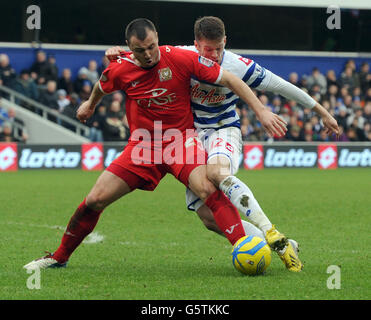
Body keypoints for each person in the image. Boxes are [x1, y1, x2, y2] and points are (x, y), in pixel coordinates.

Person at [24, 18, 287, 270]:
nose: (148, 54)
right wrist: (89, 105)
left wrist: (261, 110)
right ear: (130, 48)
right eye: (140, 50)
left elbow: (230, 79)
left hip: (180, 141)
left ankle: (245, 247)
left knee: (207, 188)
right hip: (143, 147)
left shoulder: (181, 58)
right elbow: (102, 86)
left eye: (151, 47)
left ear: (157, 39)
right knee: (95, 199)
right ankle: (59, 257)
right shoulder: (120, 68)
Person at [106, 16, 340, 272]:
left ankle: (269, 230)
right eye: (208, 49)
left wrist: (322, 113)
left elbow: (281, 86)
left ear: (225, 42)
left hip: (223, 130)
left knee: (217, 172)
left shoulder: (237, 65)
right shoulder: (180, 55)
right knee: (208, 217)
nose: (215, 54)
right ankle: (281, 245)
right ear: (196, 44)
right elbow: (144, 54)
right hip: (190, 137)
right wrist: (119, 53)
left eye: (219, 48)